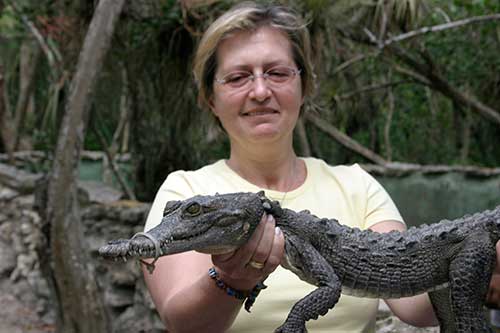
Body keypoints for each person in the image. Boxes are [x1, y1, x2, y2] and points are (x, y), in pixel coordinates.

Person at [143, 2, 500, 332]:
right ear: (210, 98)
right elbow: (182, 325)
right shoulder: (184, 192)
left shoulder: (358, 184)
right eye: (238, 77)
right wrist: (233, 280)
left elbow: (414, 299)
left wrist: (484, 272)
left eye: (277, 72)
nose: (260, 91)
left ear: (304, 85)